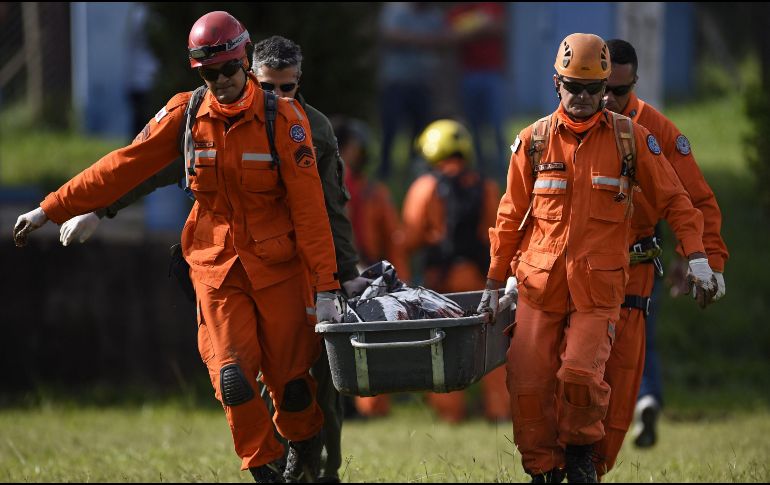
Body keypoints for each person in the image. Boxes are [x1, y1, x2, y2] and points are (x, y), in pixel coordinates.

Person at [14, 12, 342, 483]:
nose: (222, 81)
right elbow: (125, 165)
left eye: (229, 69)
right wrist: (53, 208)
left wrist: (327, 287)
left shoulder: (284, 120)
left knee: (291, 384)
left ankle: (304, 445)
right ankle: (263, 469)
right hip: (215, 267)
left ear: (244, 60)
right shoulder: (186, 115)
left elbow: (311, 211)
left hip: (279, 268)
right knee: (232, 379)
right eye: (210, 74)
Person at [475, 33, 718, 483]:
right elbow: (509, 218)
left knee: (581, 375)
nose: (585, 98)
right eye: (574, 87)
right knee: (528, 384)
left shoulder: (633, 140)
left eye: (595, 88)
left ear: (607, 85)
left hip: (598, 289)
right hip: (539, 286)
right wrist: (494, 283)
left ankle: (583, 456)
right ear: (556, 84)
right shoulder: (532, 141)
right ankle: (543, 470)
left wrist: (699, 257)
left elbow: (679, 202)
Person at [591, 38, 729, 477]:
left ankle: (636, 409)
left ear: (635, 83)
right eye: (602, 89)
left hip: (634, 267)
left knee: (632, 349)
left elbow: (697, 204)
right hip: (580, 269)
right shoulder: (567, 126)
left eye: (620, 91)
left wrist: (705, 262)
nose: (609, 100)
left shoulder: (659, 133)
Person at [402, 119, 510, 424]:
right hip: (478, 281)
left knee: (440, 346)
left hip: (441, 283)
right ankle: (500, 410)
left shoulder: (424, 187)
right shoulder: (486, 187)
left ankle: (450, 415)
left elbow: (409, 239)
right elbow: (498, 237)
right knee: (491, 346)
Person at [331, 115, 410, 420]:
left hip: (331, 277)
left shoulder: (321, 185)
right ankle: (368, 409)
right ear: (350, 149)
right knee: (369, 346)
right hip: (362, 278)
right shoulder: (366, 191)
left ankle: (345, 408)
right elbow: (391, 242)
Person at [377, 2, 446, 180]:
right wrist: (423, 40)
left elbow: (442, 40)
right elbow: (390, 35)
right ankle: (385, 170)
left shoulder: (434, 15)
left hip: (423, 82)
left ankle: (415, 171)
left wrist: (411, 39)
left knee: (420, 130)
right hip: (396, 81)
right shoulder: (395, 10)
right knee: (390, 128)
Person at [445, 2, 507, 182]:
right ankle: (478, 166)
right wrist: (482, 26)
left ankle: (502, 166)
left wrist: (468, 29)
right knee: (474, 125)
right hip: (468, 74)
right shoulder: (458, 9)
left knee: (497, 123)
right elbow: (452, 36)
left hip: (492, 73)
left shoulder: (491, 5)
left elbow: (498, 27)